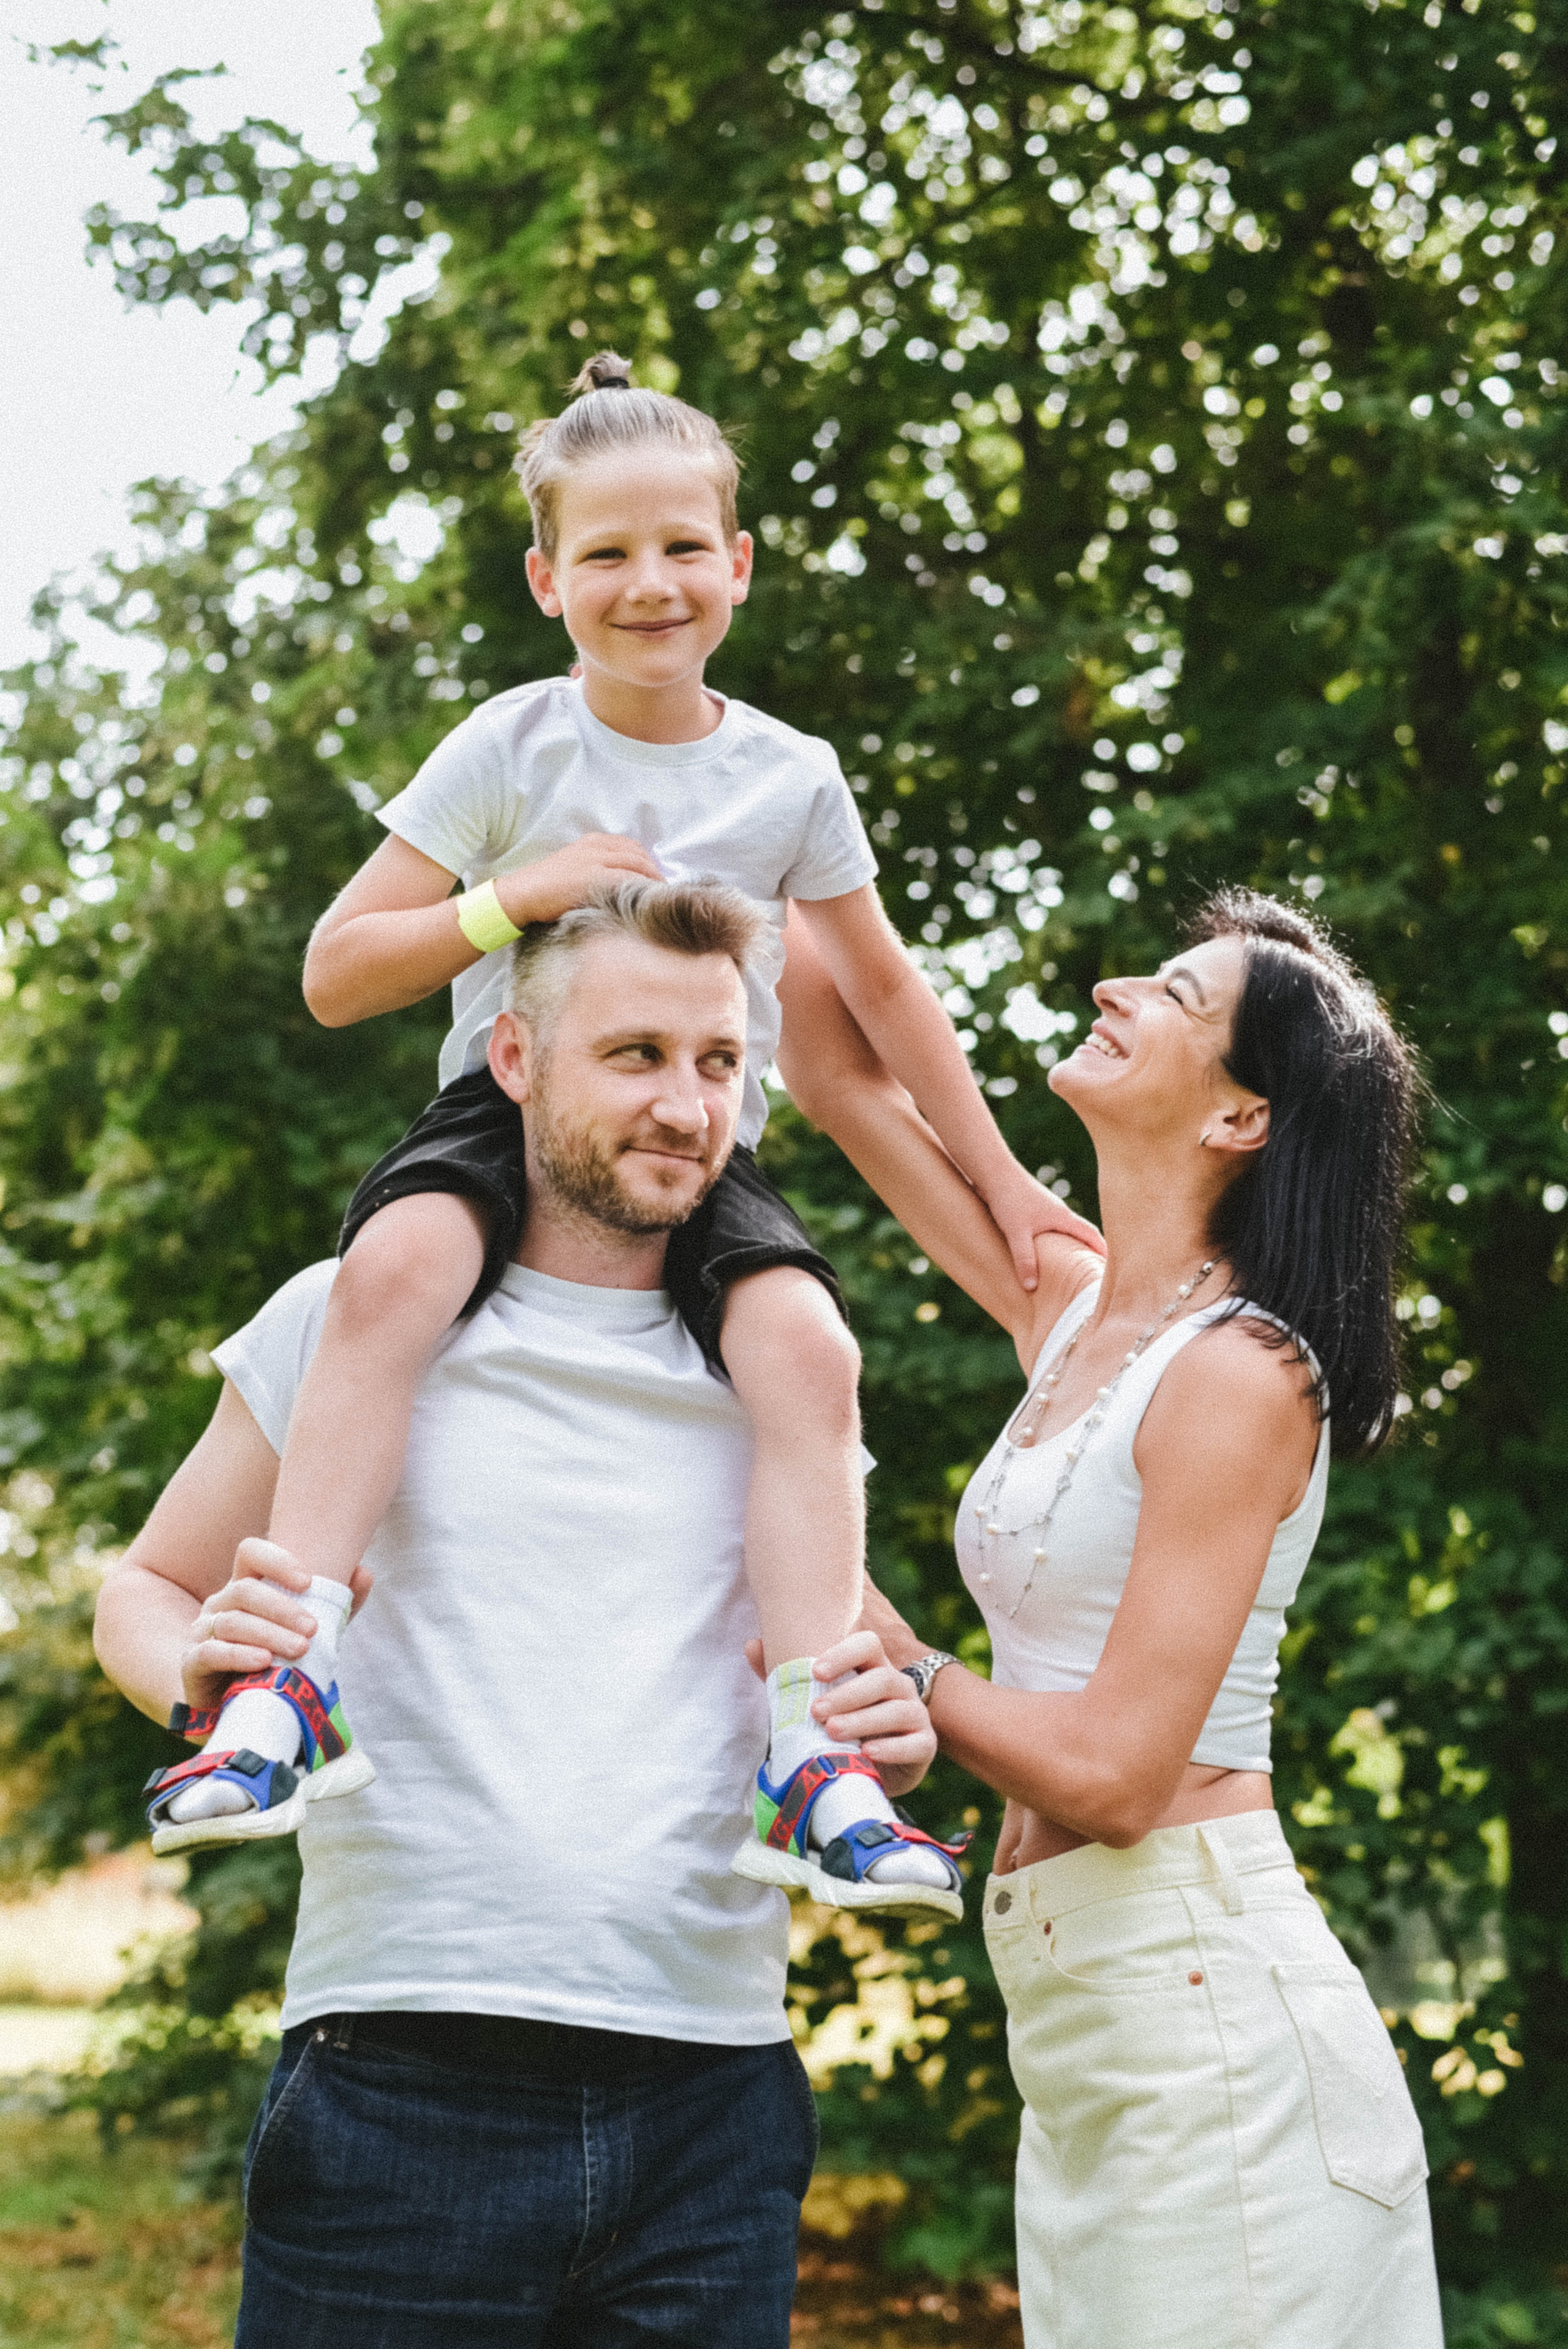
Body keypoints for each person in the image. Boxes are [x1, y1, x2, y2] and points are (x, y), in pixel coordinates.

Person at [146, 351, 1094, 1913]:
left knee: (808, 1348)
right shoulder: (513, 745)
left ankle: (810, 1749)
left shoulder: (791, 776)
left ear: (737, 564)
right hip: (501, 1120)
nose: (645, 583)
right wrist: (506, 898)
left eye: (677, 549)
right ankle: (294, 1667)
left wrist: (1005, 1190)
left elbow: (886, 1002)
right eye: (603, 553)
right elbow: (334, 972)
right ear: (545, 579)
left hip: (694, 1136)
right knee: (391, 1273)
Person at [97, 879, 944, 2348]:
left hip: (713, 2101)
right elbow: (144, 1584)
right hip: (395, 2081)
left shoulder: (777, 1364)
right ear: (512, 1060)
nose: (688, 1107)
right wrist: (196, 1663)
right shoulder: (350, 1313)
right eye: (634, 1056)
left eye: (719, 1064)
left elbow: (850, 1658)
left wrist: (890, 1724)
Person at [775, 886, 1444, 2348]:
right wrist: (758, 833)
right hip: (1087, 2012)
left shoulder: (1239, 1375)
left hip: (1204, 2012)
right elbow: (831, 1073)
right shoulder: (1074, 1307)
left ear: (1238, 1119)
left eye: (1177, 999)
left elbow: (1118, 1778)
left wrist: (889, 1647)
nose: (1115, 988)